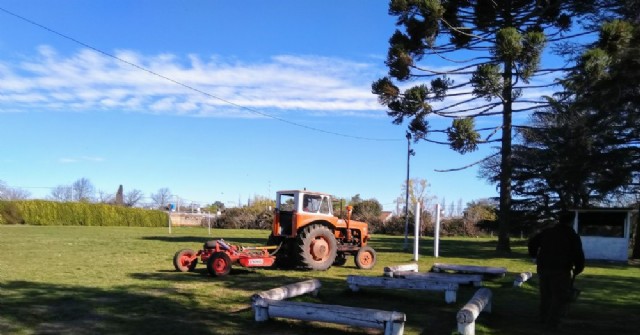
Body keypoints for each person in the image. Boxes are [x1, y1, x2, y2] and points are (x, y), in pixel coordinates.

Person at [528, 211, 585, 330]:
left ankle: (543, 318)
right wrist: (578, 267)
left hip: (544, 267)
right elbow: (578, 253)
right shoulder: (571, 235)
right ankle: (552, 323)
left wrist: (534, 256)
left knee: (546, 294)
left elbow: (532, 243)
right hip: (561, 269)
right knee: (559, 297)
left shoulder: (548, 232)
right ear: (571, 221)